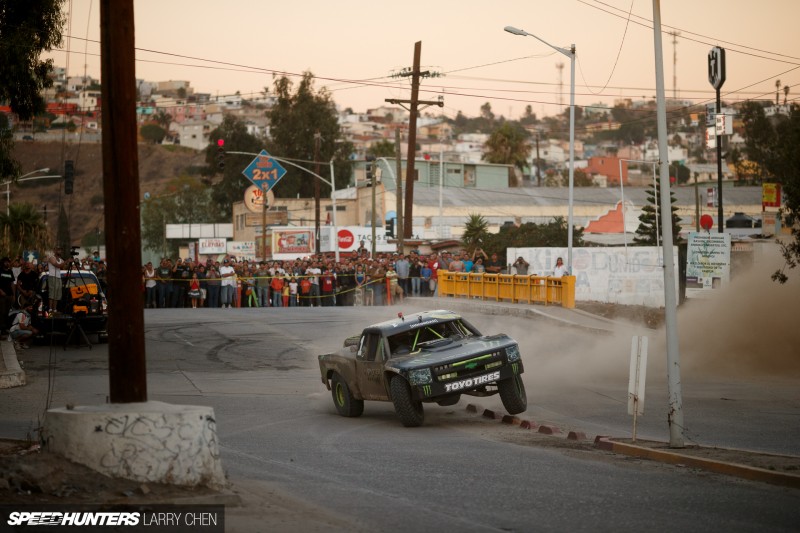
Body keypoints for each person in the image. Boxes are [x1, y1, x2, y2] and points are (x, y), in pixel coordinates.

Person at [46, 247, 66, 313]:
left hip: (58, 277)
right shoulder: (52, 258)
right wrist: (67, 261)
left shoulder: (61, 260)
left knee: (57, 293)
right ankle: (50, 309)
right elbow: (57, 265)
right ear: (54, 251)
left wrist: (68, 263)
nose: (59, 251)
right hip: (52, 276)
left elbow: (63, 267)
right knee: (52, 293)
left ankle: (55, 309)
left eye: (60, 250)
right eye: (57, 249)